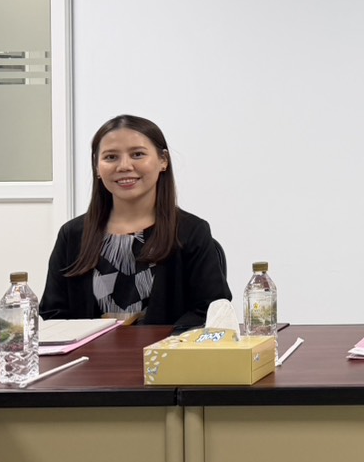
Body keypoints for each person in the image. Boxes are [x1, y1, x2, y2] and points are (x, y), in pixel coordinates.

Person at [42, 114, 230, 332]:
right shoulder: (73, 234)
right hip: (89, 354)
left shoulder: (192, 231)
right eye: (111, 157)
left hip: (166, 352)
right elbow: (52, 314)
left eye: (137, 154)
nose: (124, 166)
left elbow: (211, 310)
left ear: (163, 160)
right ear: (96, 166)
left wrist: (155, 343)